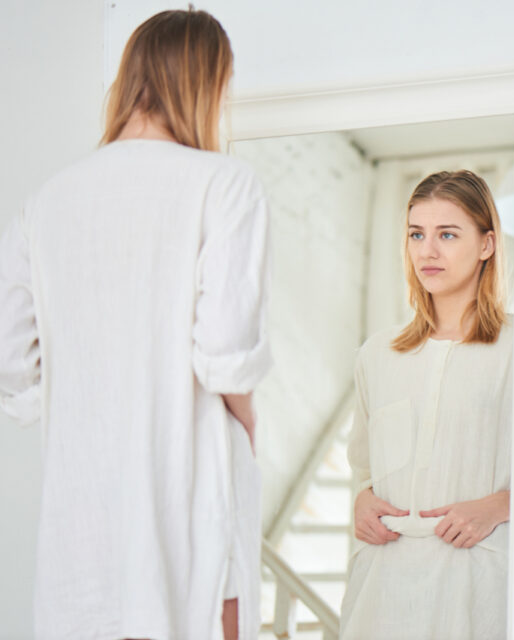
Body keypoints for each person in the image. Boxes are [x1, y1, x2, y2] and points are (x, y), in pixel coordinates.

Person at [0, 10, 270, 640]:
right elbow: (226, 351)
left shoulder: (46, 202)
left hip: (82, 519)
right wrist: (249, 421)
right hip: (191, 487)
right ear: (208, 84)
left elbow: (11, 367)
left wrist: (76, 392)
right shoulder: (225, 184)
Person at [340, 170, 512, 639]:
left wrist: (500, 505)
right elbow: (363, 468)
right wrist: (362, 500)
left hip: (477, 585)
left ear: (486, 245)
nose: (427, 251)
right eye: (417, 234)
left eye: (447, 235)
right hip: (384, 589)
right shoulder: (378, 354)